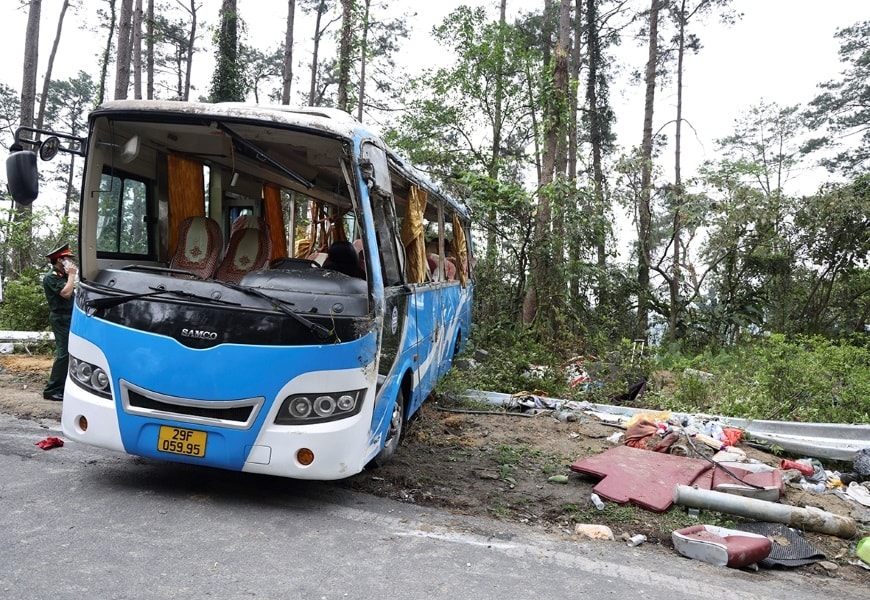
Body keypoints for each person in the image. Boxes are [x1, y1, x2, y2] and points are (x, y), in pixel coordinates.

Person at [42, 244, 77, 401]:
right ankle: (52, 389)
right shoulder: (51, 276)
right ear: (59, 261)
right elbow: (66, 293)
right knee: (64, 354)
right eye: (67, 259)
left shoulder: (62, 276)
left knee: (71, 353)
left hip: (69, 317)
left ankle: (63, 386)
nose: (70, 261)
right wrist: (72, 276)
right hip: (61, 318)